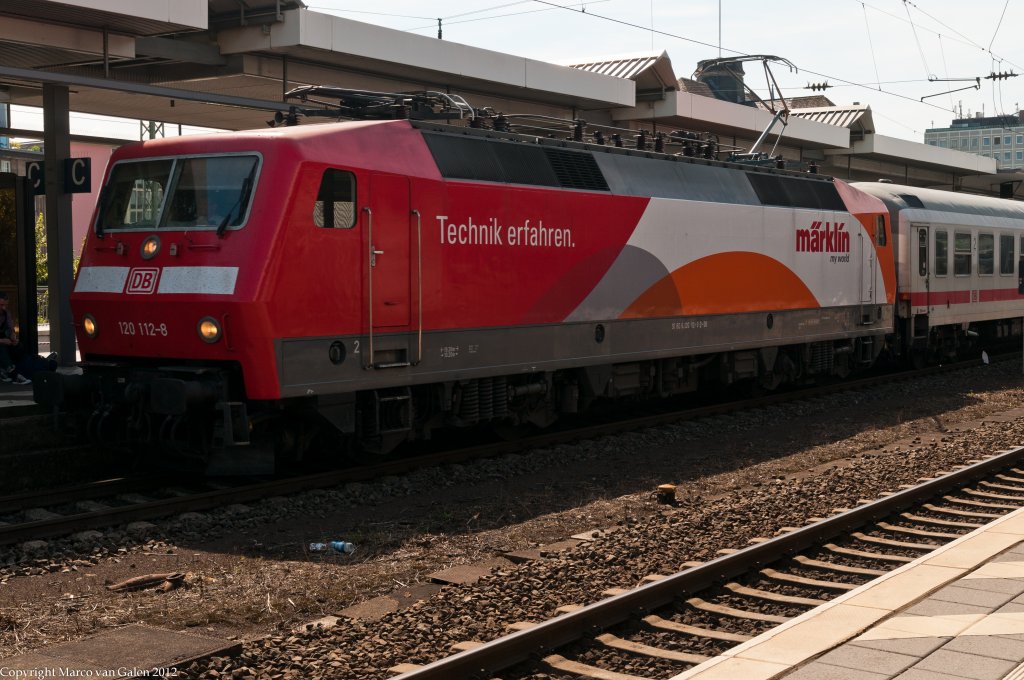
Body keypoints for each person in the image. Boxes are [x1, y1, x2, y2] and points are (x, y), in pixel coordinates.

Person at [0, 292, 30, 385]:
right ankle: (14, 374)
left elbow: (10, 328)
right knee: (1, 348)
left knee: (18, 347)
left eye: (6, 305)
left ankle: (6, 370)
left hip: (4, 340)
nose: (3, 307)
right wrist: (2, 341)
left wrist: (13, 337)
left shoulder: (6, 313)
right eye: (1, 305)